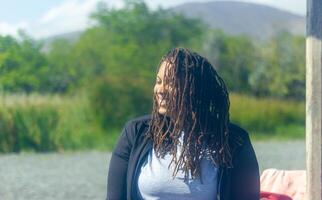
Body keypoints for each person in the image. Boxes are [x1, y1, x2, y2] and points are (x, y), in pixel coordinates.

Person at [106, 47, 260, 200]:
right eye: (158, 81)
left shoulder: (233, 141)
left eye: (171, 83)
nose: (160, 89)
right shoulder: (135, 133)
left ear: (195, 89)